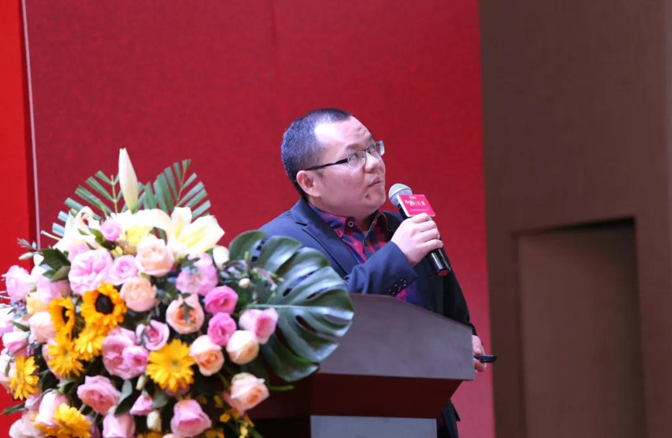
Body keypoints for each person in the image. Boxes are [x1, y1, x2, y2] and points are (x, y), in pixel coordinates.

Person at [260, 108, 487, 438]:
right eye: (353, 157)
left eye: (372, 148)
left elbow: (455, 318)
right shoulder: (276, 243)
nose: (373, 163)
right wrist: (397, 258)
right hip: (335, 427)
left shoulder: (405, 228)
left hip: (429, 426)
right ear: (309, 182)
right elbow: (315, 318)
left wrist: (463, 342)